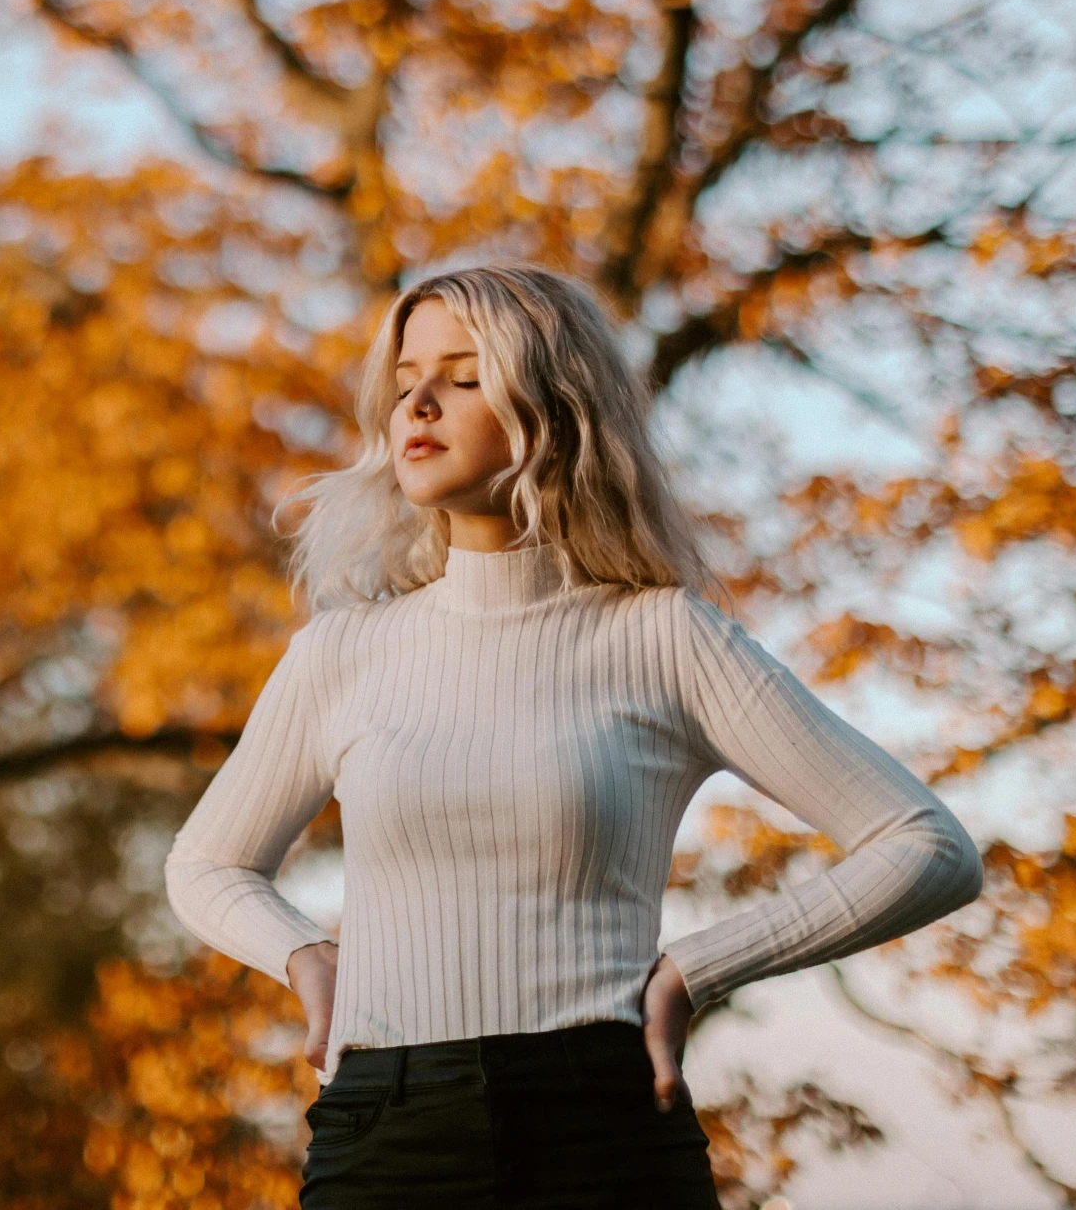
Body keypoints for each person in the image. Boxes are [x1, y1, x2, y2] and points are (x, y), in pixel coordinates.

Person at [162, 262, 984, 1208]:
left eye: (465, 377)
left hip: (606, 1129)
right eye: (403, 383)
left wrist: (697, 970)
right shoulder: (341, 652)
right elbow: (208, 864)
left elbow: (930, 848)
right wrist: (308, 954)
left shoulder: (663, 635)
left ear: (553, 409)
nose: (419, 401)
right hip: (385, 1135)